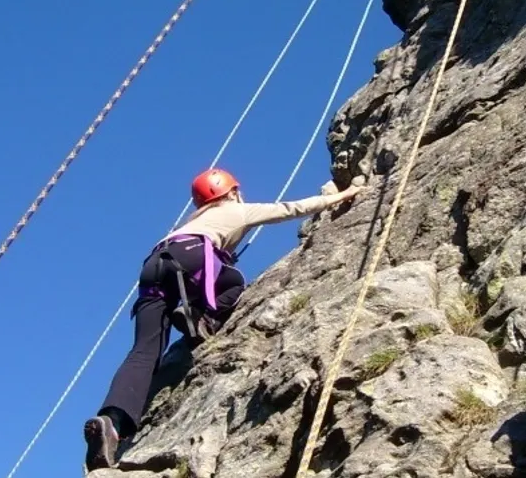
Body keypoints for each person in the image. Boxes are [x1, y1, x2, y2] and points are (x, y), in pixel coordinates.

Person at [83, 167, 364, 471]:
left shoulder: (190, 221)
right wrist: (344, 196)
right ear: (230, 192)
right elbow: (287, 209)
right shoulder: (236, 209)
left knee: (143, 352)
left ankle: (112, 422)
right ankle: (199, 316)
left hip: (153, 265)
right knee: (232, 282)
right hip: (193, 256)